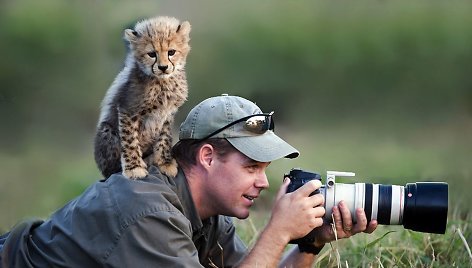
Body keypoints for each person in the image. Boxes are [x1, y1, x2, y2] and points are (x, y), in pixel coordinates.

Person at [0, 94, 377, 267]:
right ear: (208, 157)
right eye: (252, 167)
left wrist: (308, 244)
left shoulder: (207, 214)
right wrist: (277, 233)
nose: (264, 183)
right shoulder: (146, 209)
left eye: (264, 169)